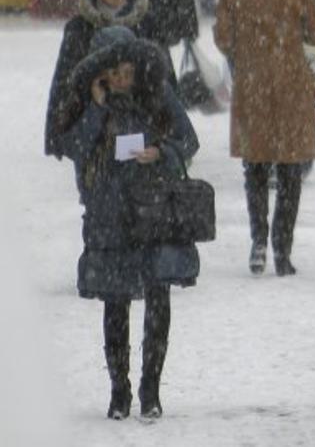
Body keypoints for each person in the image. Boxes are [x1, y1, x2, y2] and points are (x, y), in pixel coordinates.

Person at [59, 23, 199, 419]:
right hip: (109, 215)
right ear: (100, 73)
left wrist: (161, 152)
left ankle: (150, 390)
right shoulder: (89, 103)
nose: (122, 78)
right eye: (113, 71)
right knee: (115, 301)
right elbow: (75, 148)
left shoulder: (158, 94)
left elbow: (187, 139)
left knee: (158, 297)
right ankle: (119, 391)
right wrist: (98, 107)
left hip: (154, 211)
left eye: (127, 69)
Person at [214, 0, 315, 277]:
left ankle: (258, 241)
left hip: (253, 89)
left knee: (256, 168)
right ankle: (283, 249)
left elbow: (222, 38)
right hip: (292, 88)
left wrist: (248, 49)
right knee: (290, 172)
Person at [45, 0, 149, 161]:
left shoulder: (144, 22)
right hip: (95, 110)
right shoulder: (79, 28)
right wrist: (55, 133)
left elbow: (161, 70)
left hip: (138, 113)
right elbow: (64, 78)